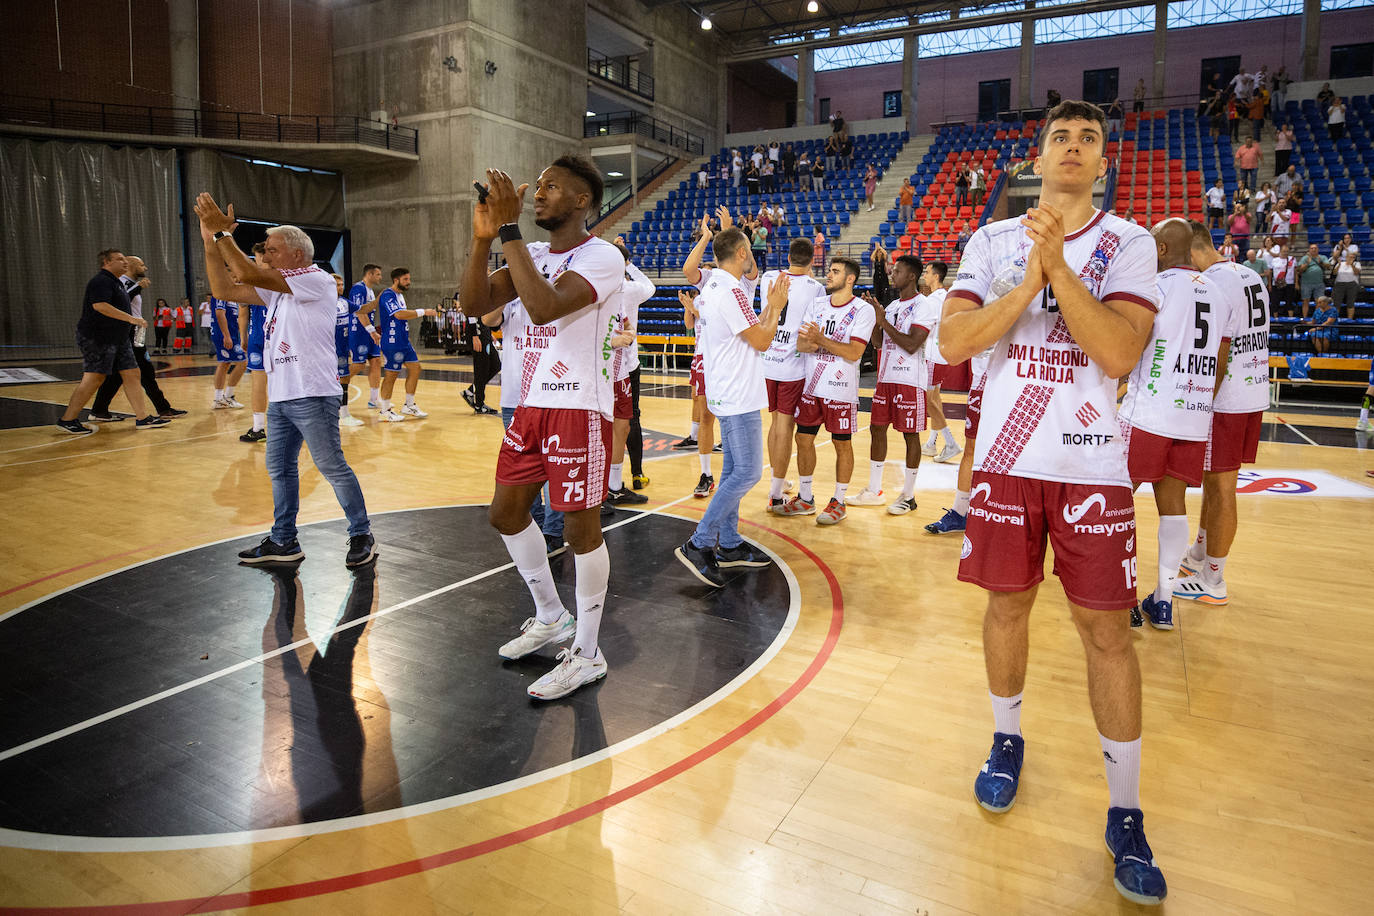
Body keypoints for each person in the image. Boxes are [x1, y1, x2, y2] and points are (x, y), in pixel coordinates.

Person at [939, 100, 1167, 906]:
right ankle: (1007, 740)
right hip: (1007, 459)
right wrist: (1029, 280)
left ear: (1104, 162)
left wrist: (1060, 272)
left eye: (1089, 139)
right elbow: (954, 344)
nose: (1073, 147)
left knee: (1106, 632)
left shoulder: (1129, 242)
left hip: (1093, 464)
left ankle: (1127, 812)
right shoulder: (994, 242)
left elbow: (1116, 349)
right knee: (1006, 608)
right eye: (1060, 137)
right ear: (1037, 159)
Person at [458, 155, 625, 700]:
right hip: (529, 404)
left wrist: (507, 230)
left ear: (582, 201)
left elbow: (546, 307)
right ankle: (552, 616)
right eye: (540, 186)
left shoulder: (602, 256)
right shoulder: (527, 252)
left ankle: (589, 653)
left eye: (553, 187)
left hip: (579, 407)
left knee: (579, 531)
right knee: (505, 514)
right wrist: (485, 238)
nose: (539, 193)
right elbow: (474, 304)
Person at [194, 193, 375, 568]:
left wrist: (221, 236)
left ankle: (362, 534)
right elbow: (224, 289)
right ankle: (284, 541)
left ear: (296, 253)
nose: (266, 253)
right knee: (279, 468)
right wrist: (208, 238)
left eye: (273, 249)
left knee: (331, 466)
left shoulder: (315, 278)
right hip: (282, 395)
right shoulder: (278, 289)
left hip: (312, 392)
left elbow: (245, 272)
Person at [1119, 219, 1227, 631]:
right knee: (1174, 508)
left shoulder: (1156, 288)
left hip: (1149, 411)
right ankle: (1163, 600)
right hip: (1193, 415)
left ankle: (1124, 595)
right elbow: (1220, 355)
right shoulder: (1216, 291)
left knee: (1117, 498)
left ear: (1161, 249)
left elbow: (1135, 345)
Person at [675, 230, 789, 587]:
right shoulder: (732, 291)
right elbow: (762, 340)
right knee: (748, 473)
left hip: (726, 390)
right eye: (750, 252)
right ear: (741, 253)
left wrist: (769, 308)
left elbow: (750, 334)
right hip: (736, 395)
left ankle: (732, 543)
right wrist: (776, 307)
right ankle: (701, 541)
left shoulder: (712, 288)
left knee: (733, 470)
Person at [1175, 221, 1270, 608]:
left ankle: (1213, 578)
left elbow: (1220, 351)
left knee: (1221, 489)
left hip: (1226, 398)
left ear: (1195, 251)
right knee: (1216, 481)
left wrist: (1201, 399)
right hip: (1253, 390)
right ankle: (1200, 552)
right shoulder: (1250, 275)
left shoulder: (1212, 283)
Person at [774, 257, 875, 526]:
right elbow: (801, 345)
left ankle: (839, 502)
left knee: (841, 443)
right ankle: (805, 498)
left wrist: (819, 340)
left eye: (835, 271)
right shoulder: (817, 305)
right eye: (829, 270)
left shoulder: (863, 310)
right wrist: (824, 344)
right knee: (802, 439)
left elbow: (854, 353)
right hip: (812, 385)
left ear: (850, 278)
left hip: (840, 389)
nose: (828, 275)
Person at [850, 255, 938, 515]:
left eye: (898, 271)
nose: (892, 273)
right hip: (886, 379)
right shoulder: (892, 306)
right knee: (877, 429)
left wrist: (883, 320)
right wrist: (874, 318)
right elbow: (878, 342)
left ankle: (909, 496)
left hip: (910, 381)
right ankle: (874, 489)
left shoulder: (924, 306)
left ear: (912, 276)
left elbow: (912, 344)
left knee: (910, 435)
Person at [55, 249, 169, 434]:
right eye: (119, 259)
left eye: (125, 259)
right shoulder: (101, 281)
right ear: (106, 263)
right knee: (94, 378)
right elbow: (100, 306)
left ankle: (142, 418)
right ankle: (68, 419)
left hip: (119, 339)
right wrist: (131, 319)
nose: (125, 262)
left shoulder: (116, 283)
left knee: (132, 373)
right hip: (99, 337)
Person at [758, 237, 824, 510]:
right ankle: (775, 492)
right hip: (792, 364)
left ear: (787, 257)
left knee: (775, 424)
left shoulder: (769, 278)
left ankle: (779, 480)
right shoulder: (816, 288)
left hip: (766, 360)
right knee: (785, 426)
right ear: (812, 261)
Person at [89, 256, 185, 422]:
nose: (145, 268)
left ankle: (99, 410)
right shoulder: (123, 283)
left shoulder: (126, 283)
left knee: (118, 375)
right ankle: (163, 409)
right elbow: (117, 303)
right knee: (146, 371)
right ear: (131, 265)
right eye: (141, 264)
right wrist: (137, 287)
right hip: (128, 331)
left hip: (133, 330)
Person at [603, 237, 656, 508]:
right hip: (605, 366)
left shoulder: (627, 289)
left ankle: (620, 482)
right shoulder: (610, 287)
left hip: (625, 366)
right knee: (620, 422)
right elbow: (650, 286)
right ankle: (623, 478)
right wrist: (628, 262)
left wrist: (622, 259)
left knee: (624, 423)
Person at [376, 268, 437, 421]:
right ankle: (385, 410)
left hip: (403, 341)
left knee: (416, 368)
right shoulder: (387, 295)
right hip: (392, 341)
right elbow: (399, 315)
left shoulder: (400, 296)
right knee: (391, 374)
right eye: (405, 279)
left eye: (409, 279)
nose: (409, 282)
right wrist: (424, 311)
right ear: (396, 280)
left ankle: (409, 405)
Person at [919, 262, 961, 464]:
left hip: (933, 355)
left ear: (936, 276)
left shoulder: (934, 300)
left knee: (930, 401)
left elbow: (925, 327)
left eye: (927, 273)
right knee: (935, 399)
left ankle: (951, 442)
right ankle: (931, 442)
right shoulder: (947, 297)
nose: (924, 276)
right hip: (941, 353)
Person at [240, 241, 271, 443]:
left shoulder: (252, 280)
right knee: (286, 383)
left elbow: (243, 311)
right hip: (280, 337)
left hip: (259, 337)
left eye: (257, 258)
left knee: (259, 383)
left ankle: (259, 427)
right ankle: (294, 426)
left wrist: (244, 337)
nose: (256, 262)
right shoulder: (287, 278)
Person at [347, 264, 384, 411]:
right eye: (378, 274)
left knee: (376, 361)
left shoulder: (370, 291)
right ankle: (335, 390)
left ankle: (374, 400)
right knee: (359, 365)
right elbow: (359, 311)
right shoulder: (358, 288)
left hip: (369, 332)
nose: (380, 277)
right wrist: (371, 330)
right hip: (359, 332)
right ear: (369, 274)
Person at [332, 274, 363, 427]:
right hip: (327, 349)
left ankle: (344, 414)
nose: (341, 287)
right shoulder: (323, 303)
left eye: (341, 284)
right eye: (337, 285)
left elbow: (362, 310)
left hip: (342, 348)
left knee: (344, 378)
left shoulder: (344, 302)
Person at [209, 294, 248, 408]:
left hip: (231, 335)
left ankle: (219, 399)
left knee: (224, 363)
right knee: (242, 363)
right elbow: (219, 313)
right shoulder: (220, 294)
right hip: (224, 335)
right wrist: (226, 336)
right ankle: (228, 396)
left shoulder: (233, 296)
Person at [463, 302, 501, 415]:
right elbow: (470, 312)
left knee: (496, 364)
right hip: (477, 335)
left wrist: (488, 332)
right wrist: (474, 335)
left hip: (484, 333)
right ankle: (479, 404)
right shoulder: (475, 290)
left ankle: (471, 391)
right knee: (481, 369)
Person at [1296, 243, 1331, 320]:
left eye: (1315, 248)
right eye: (1312, 248)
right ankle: (1305, 317)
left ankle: (1316, 318)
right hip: (1306, 283)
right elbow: (1299, 270)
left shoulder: (1322, 257)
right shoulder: (1305, 258)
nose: (1313, 250)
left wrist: (1321, 263)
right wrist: (1307, 263)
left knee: (1319, 302)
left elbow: (1328, 266)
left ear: (1318, 249)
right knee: (1305, 301)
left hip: (1319, 283)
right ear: (1309, 250)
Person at [1332, 248, 1362, 320]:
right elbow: (1334, 273)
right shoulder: (1341, 264)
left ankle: (1350, 320)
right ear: (1346, 257)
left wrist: (1351, 265)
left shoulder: (1356, 264)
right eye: (1349, 257)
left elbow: (1356, 273)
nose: (1351, 258)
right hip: (1339, 284)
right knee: (1337, 303)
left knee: (1350, 303)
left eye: (1353, 257)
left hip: (1352, 285)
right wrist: (1338, 265)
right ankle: (1335, 319)